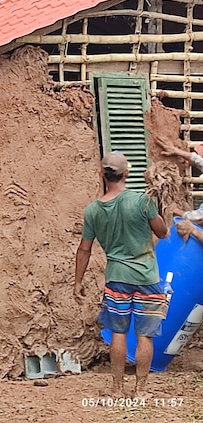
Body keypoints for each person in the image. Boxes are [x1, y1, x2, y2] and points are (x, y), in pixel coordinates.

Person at [74, 152, 168, 398]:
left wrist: (77, 282)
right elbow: (163, 232)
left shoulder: (92, 210)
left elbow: (84, 249)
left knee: (118, 332)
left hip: (116, 277)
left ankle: (116, 388)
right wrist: (159, 208)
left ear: (101, 175)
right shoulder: (142, 202)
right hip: (147, 277)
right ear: (126, 173)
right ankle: (140, 391)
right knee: (144, 334)